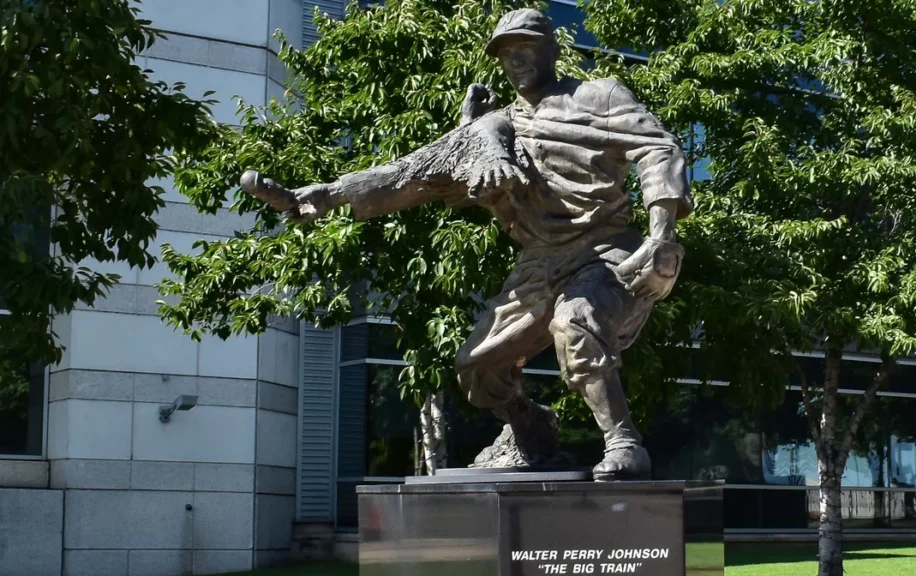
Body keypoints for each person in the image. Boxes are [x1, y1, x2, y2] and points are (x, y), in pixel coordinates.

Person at [241, 9, 692, 480]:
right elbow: (407, 176)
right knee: (476, 368)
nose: (516, 61)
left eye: (526, 48)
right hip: (539, 262)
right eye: (506, 54)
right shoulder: (494, 131)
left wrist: (662, 233)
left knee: (576, 321)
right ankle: (530, 428)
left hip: (605, 248)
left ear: (553, 50)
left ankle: (623, 442)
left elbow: (658, 148)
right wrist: (325, 195)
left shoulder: (599, 96)